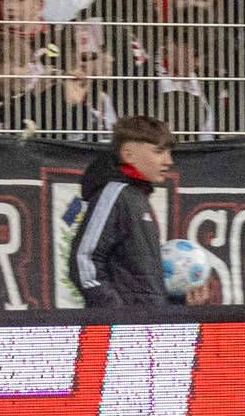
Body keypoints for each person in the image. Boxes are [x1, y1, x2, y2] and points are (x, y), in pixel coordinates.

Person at [71, 113, 177, 307]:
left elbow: (143, 283)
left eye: (169, 152)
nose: (168, 161)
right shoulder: (115, 193)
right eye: (159, 151)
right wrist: (118, 314)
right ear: (128, 154)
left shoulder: (137, 197)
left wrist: (180, 299)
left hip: (146, 326)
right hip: (124, 330)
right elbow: (83, 259)